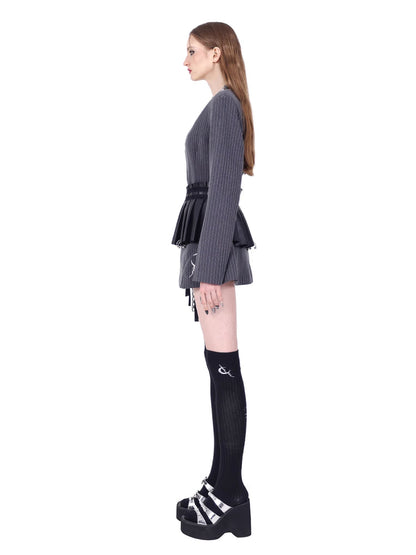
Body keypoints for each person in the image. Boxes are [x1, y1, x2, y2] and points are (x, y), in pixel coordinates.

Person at [171, 22, 256, 540]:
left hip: (213, 252)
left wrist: (208, 267)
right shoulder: (219, 105)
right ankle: (220, 482)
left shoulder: (223, 106)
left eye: (192, 51)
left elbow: (225, 191)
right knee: (217, 366)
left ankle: (230, 495)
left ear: (216, 53)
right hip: (207, 248)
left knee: (225, 369)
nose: (185, 60)